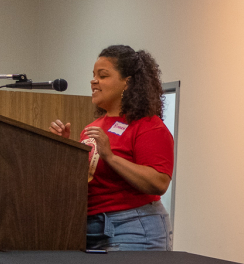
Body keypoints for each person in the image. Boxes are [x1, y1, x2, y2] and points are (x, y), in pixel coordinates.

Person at [50, 45, 174, 251]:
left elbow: (159, 182)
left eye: (103, 75)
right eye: (93, 75)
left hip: (133, 227)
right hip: (88, 227)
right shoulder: (92, 128)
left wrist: (111, 156)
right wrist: (62, 149)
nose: (94, 81)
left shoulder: (148, 126)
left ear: (128, 82)